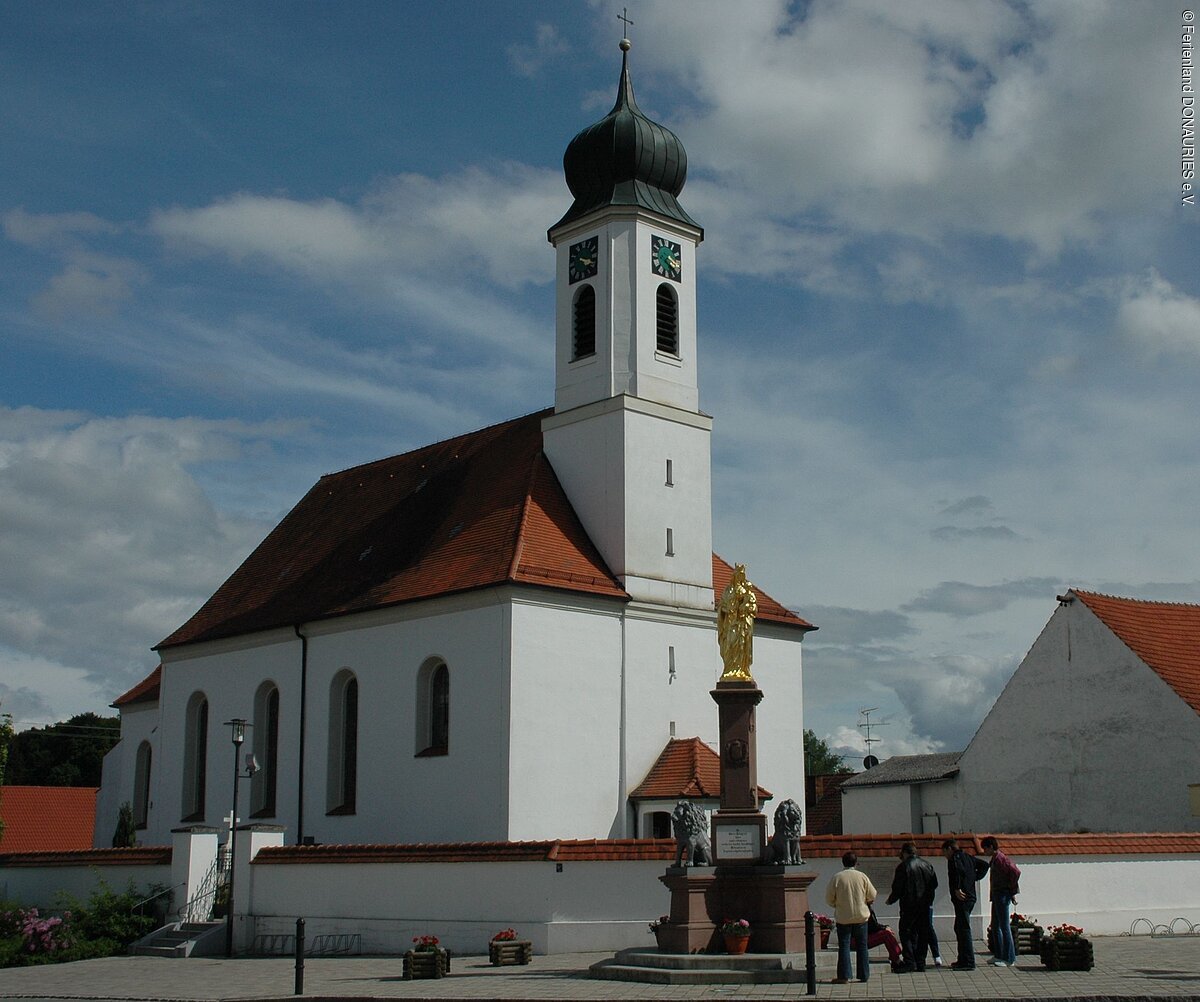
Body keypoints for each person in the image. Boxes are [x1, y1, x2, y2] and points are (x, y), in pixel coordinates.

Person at [825, 850, 877, 984]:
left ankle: (844, 975)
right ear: (856, 863)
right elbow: (872, 894)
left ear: (843, 863)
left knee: (844, 945)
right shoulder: (862, 876)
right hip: (861, 915)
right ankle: (864, 974)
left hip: (843, 916)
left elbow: (829, 898)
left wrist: (837, 904)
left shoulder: (837, 877)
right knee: (862, 945)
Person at [885, 840, 937, 972]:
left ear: (905, 852)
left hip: (909, 905)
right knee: (922, 933)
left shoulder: (903, 867)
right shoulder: (927, 865)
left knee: (906, 932)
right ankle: (921, 962)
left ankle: (909, 960)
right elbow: (933, 884)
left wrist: (891, 900)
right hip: (924, 905)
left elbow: (898, 887)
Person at [942, 837, 986, 969]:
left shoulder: (954, 859)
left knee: (964, 929)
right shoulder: (968, 857)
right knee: (959, 928)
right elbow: (984, 865)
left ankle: (968, 961)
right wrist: (973, 878)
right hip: (971, 897)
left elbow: (957, 871)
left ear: (950, 849)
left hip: (962, 898)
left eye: (944, 852)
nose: (944, 855)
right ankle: (962, 959)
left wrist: (957, 888)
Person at [982, 835, 1020, 966]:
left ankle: (1009, 958)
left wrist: (1011, 889)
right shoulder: (994, 859)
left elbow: (1015, 872)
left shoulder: (1000, 859)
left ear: (991, 847)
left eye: (985, 848)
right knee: (995, 925)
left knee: (1004, 927)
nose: (984, 851)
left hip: (1002, 894)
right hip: (997, 895)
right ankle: (999, 955)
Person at [850, 906, 904, 971]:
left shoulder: (861, 908)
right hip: (857, 940)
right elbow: (872, 927)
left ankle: (896, 957)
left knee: (886, 933)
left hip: (857, 938)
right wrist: (884, 928)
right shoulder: (865, 910)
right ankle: (896, 960)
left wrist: (884, 927)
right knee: (886, 934)